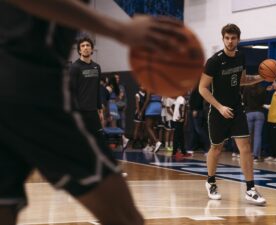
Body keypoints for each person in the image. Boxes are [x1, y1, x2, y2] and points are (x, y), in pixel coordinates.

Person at [0, 1, 188, 225]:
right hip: (29, 84)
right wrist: (120, 29)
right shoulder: (75, 67)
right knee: (125, 217)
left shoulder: (95, 68)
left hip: (21, 85)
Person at [199, 23, 266, 205]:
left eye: (233, 38)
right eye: (227, 38)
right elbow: (202, 88)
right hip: (218, 111)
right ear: (223, 39)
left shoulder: (241, 57)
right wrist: (219, 107)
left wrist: (261, 77)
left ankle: (250, 188)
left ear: (238, 39)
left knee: (245, 147)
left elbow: (242, 80)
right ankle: (211, 182)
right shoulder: (214, 61)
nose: (230, 41)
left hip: (237, 109)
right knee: (217, 149)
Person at [242, 83, 267, 162]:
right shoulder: (262, 89)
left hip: (249, 113)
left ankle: (246, 154)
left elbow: (244, 101)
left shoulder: (246, 88)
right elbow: (264, 101)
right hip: (259, 113)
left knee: (247, 135)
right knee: (257, 135)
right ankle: (256, 156)